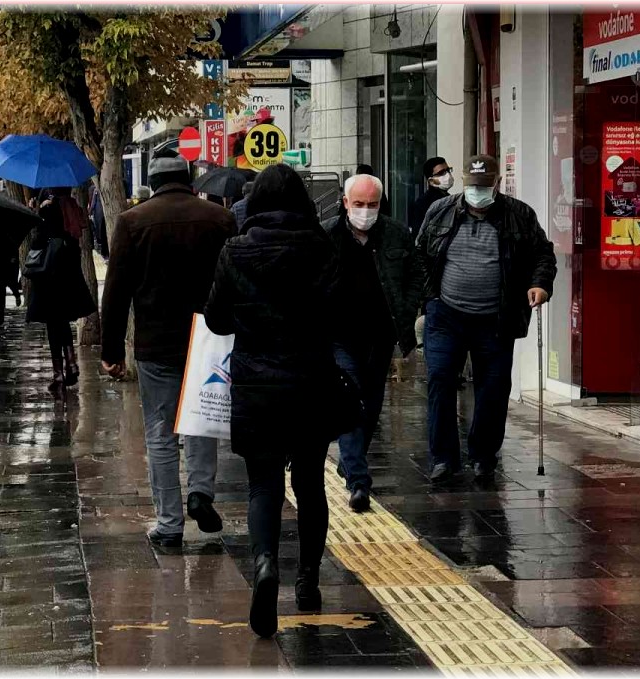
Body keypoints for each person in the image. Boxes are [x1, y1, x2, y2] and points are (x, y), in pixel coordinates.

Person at [203, 164, 341, 638]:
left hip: (257, 386)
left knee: (263, 486)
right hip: (311, 382)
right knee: (310, 484)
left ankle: (264, 566)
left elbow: (218, 320)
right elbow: (337, 315)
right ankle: (308, 580)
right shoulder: (323, 246)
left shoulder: (235, 251)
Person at [100, 152, 234, 547]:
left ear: (155, 183)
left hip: (155, 344)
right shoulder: (219, 219)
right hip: (208, 339)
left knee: (160, 433)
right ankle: (200, 493)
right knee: (201, 422)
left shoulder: (132, 222)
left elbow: (117, 291)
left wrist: (111, 350)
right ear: (189, 178)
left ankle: (169, 522)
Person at [416, 155, 557, 482]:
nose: (478, 192)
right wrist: (430, 298)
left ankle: (483, 454)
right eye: (472, 186)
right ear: (464, 183)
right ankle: (443, 459)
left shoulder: (519, 215)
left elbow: (542, 255)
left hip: (495, 319)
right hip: (446, 314)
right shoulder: (441, 211)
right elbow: (420, 255)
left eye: (484, 186)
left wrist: (539, 284)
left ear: (496, 184)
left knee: (493, 388)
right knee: (440, 380)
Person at [322, 174, 424, 511]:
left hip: (381, 334)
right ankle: (359, 482)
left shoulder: (395, 234)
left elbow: (415, 276)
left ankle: (350, 461)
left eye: (372, 204)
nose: (365, 211)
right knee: (351, 400)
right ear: (345, 202)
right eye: (359, 204)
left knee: (372, 405)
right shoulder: (326, 235)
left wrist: (407, 311)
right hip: (339, 335)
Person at [24, 199, 97, 397]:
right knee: (63, 326)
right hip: (66, 291)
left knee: (53, 331)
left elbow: (32, 260)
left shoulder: (42, 233)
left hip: (48, 291)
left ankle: (58, 375)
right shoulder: (68, 237)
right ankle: (71, 363)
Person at [408, 156, 453, 238]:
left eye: (448, 170)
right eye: (441, 173)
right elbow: (419, 235)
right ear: (431, 181)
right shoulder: (422, 203)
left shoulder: (449, 198)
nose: (447, 175)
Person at [89, 185, 109, 260]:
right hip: (104, 212)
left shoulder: (96, 190)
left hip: (98, 212)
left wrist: (90, 211)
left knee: (99, 228)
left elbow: (93, 202)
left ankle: (100, 244)